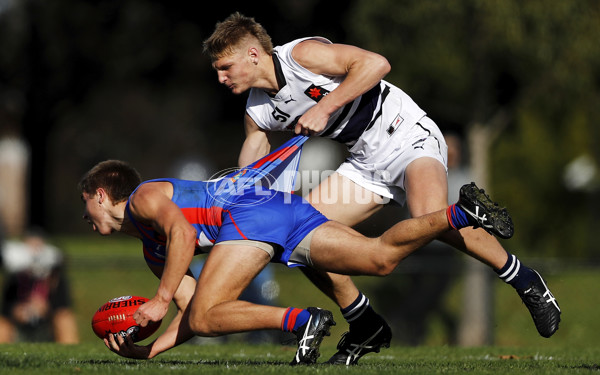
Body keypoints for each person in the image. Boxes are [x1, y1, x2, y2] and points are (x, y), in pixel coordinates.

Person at [202, 12, 561, 362]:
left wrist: (324, 108)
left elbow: (376, 65)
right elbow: (252, 165)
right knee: (298, 234)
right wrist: (234, 201)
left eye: (225, 67)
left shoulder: (302, 56)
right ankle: (362, 320)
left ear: (253, 54)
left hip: (405, 134)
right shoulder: (258, 110)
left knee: (431, 218)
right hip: (363, 163)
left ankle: (523, 277)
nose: (220, 77)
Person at [79, 159, 512, 364]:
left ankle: (301, 321)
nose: (85, 217)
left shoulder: (143, 198)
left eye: (87, 207)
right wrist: (148, 350)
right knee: (379, 258)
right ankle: (459, 213)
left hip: (249, 215)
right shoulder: (152, 249)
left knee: (212, 315)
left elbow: (184, 233)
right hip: (278, 208)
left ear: (102, 195)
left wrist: (157, 299)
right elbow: (193, 312)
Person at [0, 227, 79, 344]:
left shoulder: (55, 277)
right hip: (21, 317)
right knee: (2, 325)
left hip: (48, 318)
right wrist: (16, 310)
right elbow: (6, 306)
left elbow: (63, 305)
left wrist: (46, 308)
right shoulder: (15, 277)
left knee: (64, 320)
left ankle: (70, 356)